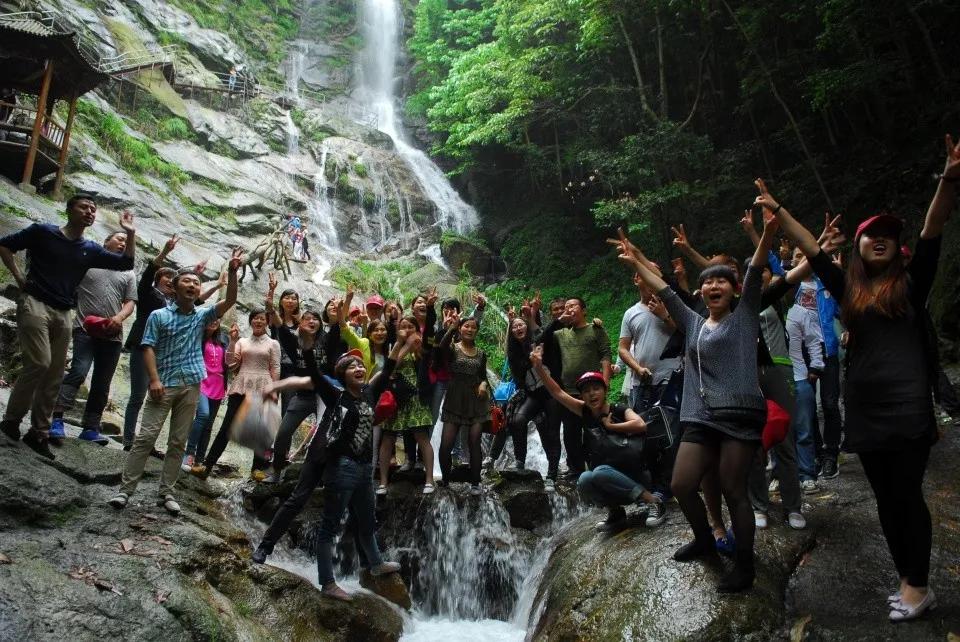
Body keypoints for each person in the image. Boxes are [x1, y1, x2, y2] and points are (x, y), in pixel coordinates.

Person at [757, 132, 958, 621]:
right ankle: (907, 576)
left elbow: (934, 227)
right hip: (864, 410)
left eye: (889, 232)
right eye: (871, 233)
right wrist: (777, 209)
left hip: (907, 406)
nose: (880, 237)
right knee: (886, 499)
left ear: (897, 245)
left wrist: (949, 179)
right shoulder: (846, 288)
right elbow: (811, 248)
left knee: (907, 496)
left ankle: (918, 583)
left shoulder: (913, 284)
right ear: (860, 245)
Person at [616, 209, 778, 593]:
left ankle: (744, 565)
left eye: (722, 281)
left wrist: (767, 233)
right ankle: (705, 538)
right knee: (682, 484)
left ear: (734, 290)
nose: (714, 286)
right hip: (700, 416)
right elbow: (664, 289)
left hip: (738, 415)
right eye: (708, 283)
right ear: (702, 293)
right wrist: (636, 258)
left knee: (733, 488)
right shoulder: (691, 322)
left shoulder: (745, 317)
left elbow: (755, 272)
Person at [252, 336, 417, 600]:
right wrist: (305, 350)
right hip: (328, 458)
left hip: (357, 464)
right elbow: (312, 375)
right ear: (342, 373)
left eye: (361, 365)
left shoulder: (368, 393)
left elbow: (389, 367)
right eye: (352, 365)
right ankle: (271, 550)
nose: (359, 368)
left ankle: (373, 564)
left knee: (364, 516)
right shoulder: (334, 392)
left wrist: (404, 344)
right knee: (301, 503)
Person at [0, 195, 136, 459]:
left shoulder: (90, 249)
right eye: (84, 207)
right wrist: (18, 277)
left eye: (93, 210)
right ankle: (11, 420)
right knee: (40, 362)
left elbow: (126, 263)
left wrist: (130, 233)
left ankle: (39, 432)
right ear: (69, 209)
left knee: (54, 373)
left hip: (63, 312)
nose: (89, 212)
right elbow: (5, 246)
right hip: (36, 302)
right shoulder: (43, 232)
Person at [108, 250, 241, 515]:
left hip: (192, 384)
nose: (192, 285)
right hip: (164, 383)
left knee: (178, 442)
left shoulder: (202, 316)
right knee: (145, 438)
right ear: (175, 287)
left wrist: (234, 273)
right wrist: (154, 379)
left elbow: (231, 299)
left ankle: (166, 493)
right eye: (187, 281)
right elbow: (147, 347)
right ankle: (125, 491)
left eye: (196, 283)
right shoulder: (159, 316)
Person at [531, 346, 662, 531]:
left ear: (605, 390)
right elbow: (557, 393)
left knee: (599, 471)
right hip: (610, 480)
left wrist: (611, 426)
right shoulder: (584, 411)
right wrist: (538, 368)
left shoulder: (618, 409)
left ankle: (653, 500)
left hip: (635, 475)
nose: (592, 394)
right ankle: (615, 513)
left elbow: (640, 424)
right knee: (584, 479)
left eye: (596, 388)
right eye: (586, 391)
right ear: (582, 396)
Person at [123, 236, 225, 451]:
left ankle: (147, 442)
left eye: (172, 278)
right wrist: (164, 252)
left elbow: (198, 301)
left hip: (165, 356)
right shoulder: (148, 294)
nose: (170, 280)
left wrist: (211, 283)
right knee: (138, 395)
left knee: (158, 401)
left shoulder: (174, 303)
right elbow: (148, 275)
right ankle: (130, 440)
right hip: (144, 349)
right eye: (166, 278)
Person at [48, 231, 137, 446]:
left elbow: (130, 302)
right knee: (79, 370)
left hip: (113, 335)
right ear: (105, 241)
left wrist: (118, 317)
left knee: (101, 383)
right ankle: (57, 419)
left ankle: (90, 427)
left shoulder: (128, 272)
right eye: (119, 239)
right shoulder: (88, 263)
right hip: (84, 329)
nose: (123, 243)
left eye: (126, 241)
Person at [197, 310, 281, 481]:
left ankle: (256, 469)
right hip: (241, 384)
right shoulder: (242, 341)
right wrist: (233, 341)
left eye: (262, 318)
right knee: (226, 427)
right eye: (255, 318)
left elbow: (276, 368)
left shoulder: (273, 343)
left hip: (263, 385)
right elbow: (230, 363)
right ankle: (207, 465)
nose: (258, 321)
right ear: (250, 321)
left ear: (267, 322)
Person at [542, 297, 612, 479]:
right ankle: (576, 470)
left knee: (595, 432)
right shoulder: (561, 333)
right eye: (566, 307)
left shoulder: (595, 329)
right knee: (570, 433)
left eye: (572, 306)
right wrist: (558, 321)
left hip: (593, 392)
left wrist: (605, 384)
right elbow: (541, 339)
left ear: (584, 310)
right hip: (569, 391)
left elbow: (605, 356)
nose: (568, 309)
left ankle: (599, 467)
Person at [377, 315, 436, 495]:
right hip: (395, 397)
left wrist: (412, 345)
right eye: (403, 326)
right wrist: (403, 345)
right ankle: (383, 482)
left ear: (417, 329)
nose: (407, 329)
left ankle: (430, 479)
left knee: (422, 437)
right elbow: (391, 368)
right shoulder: (392, 346)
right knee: (388, 438)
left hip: (416, 396)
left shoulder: (422, 349)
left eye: (410, 326)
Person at [784, 246, 826, 493]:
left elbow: (813, 340)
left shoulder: (799, 312)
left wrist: (817, 367)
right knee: (780, 431)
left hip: (800, 377)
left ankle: (807, 474)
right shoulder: (765, 314)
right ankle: (782, 474)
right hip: (776, 379)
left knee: (804, 430)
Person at [437, 313, 490, 494]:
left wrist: (483, 384)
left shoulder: (481, 354)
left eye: (473, 327)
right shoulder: (453, 348)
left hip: (476, 401)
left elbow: (482, 376)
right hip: (454, 399)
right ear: (461, 329)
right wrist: (451, 327)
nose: (469, 329)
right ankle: (445, 479)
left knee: (474, 441)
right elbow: (440, 347)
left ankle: (475, 482)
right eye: (466, 326)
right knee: (446, 444)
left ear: (477, 331)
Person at [182, 318, 228, 471]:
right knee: (203, 414)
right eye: (212, 317)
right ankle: (189, 453)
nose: (214, 321)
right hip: (201, 381)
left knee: (208, 425)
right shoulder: (198, 337)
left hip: (218, 384)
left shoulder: (223, 339)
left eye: (217, 319)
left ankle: (199, 460)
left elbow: (228, 362)